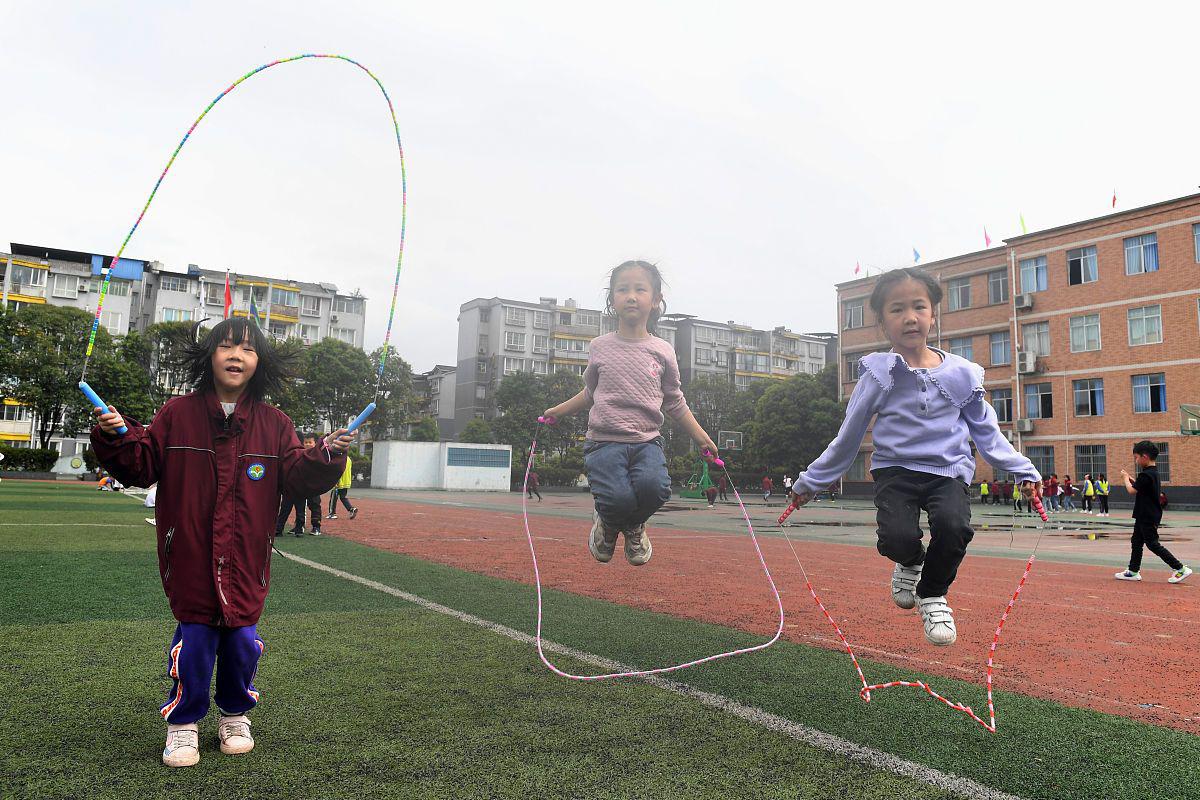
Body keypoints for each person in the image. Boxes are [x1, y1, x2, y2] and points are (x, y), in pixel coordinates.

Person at [89, 318, 352, 767]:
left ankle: (234, 714)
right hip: (189, 553)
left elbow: (296, 475)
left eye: (248, 350)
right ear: (209, 355)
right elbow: (141, 464)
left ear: (259, 362)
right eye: (227, 346)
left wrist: (327, 453)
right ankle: (183, 723)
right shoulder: (177, 414)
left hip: (248, 557)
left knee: (242, 641)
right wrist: (115, 435)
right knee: (194, 642)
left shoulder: (275, 423)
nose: (236, 356)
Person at [785, 268, 1041, 646]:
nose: (910, 317)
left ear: (933, 314)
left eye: (919, 307)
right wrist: (812, 482)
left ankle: (933, 593)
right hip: (895, 472)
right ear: (881, 320)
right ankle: (909, 561)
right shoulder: (878, 372)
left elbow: (986, 431)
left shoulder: (962, 374)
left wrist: (1023, 469)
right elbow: (850, 434)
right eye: (897, 309)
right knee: (895, 537)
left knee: (955, 529)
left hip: (948, 472)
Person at [542, 260, 718, 567]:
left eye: (640, 289)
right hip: (604, 442)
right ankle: (608, 523)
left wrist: (700, 436)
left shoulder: (662, 350)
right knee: (618, 499)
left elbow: (674, 400)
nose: (632, 296)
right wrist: (558, 410)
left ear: (656, 299)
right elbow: (590, 393)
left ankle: (633, 526)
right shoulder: (600, 347)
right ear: (612, 299)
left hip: (647, 442)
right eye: (623, 289)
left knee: (656, 489)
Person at [1115, 441, 1191, 584]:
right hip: (1145, 514)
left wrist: (1125, 479)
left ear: (1144, 457)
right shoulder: (1153, 473)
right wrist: (1132, 479)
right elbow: (1140, 486)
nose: (1136, 461)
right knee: (1136, 541)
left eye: (1136, 457)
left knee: (1152, 543)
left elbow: (1132, 490)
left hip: (1147, 515)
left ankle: (1180, 568)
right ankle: (1133, 571)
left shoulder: (1146, 475)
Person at [276, 433, 322, 537]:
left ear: (315, 443)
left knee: (313, 505)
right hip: (296, 486)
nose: (308, 444)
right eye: (306, 442)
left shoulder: (317, 455)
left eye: (310, 442)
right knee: (288, 507)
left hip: (312, 485)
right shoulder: (299, 453)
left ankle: (316, 527)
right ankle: (296, 527)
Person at [326, 455, 357, 520]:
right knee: (343, 497)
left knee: (333, 498)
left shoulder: (338, 458)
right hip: (346, 481)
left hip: (339, 481)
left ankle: (332, 513)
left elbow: (338, 470)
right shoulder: (348, 458)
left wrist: (335, 481)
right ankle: (351, 509)